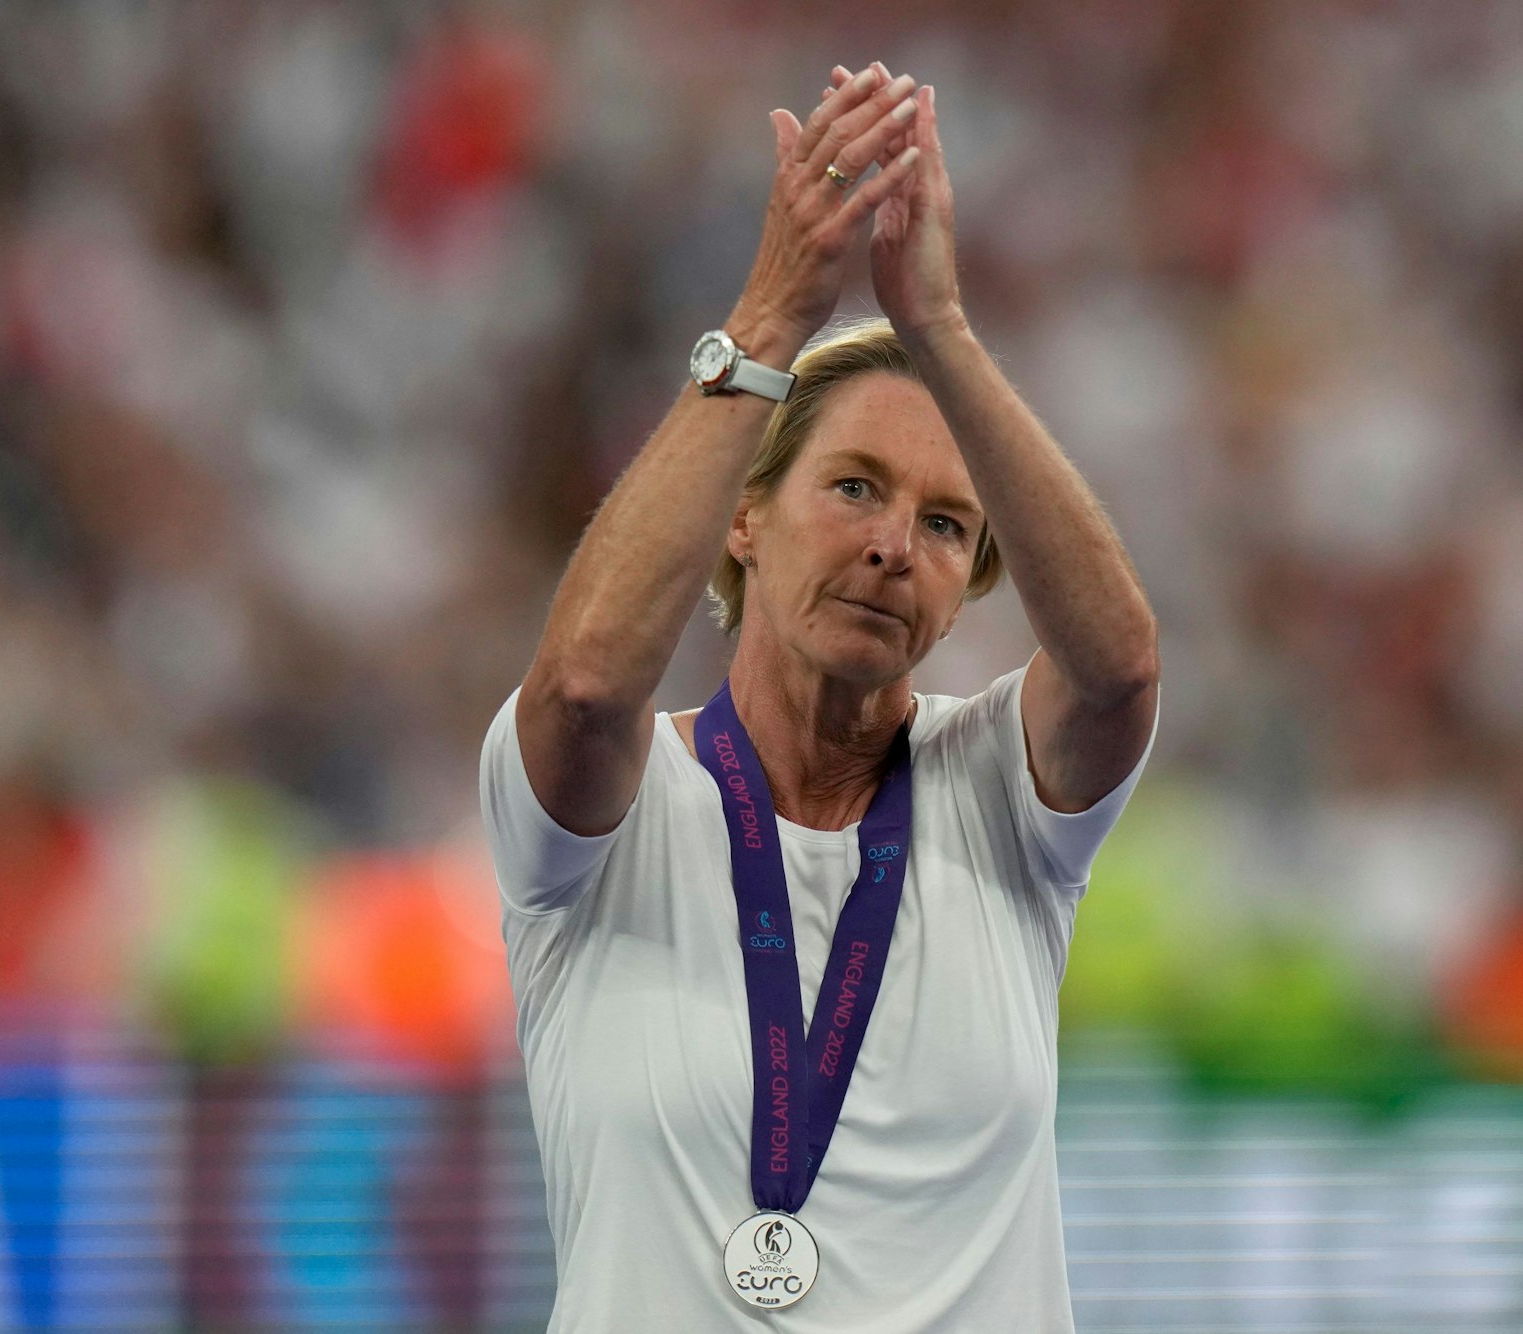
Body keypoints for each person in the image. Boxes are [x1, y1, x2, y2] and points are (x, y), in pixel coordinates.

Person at [480, 59, 1160, 1332]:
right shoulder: (611, 815)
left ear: (965, 589)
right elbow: (578, 686)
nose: (897, 544)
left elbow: (1118, 667)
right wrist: (775, 316)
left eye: (947, 524)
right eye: (853, 487)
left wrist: (942, 329)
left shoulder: (1002, 798)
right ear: (742, 514)